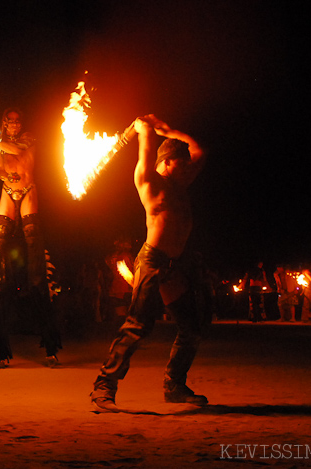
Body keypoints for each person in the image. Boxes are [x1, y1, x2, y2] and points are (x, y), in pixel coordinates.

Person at [91, 115, 209, 411]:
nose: (189, 167)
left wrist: (169, 129)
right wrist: (145, 132)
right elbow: (147, 155)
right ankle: (103, 387)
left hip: (174, 266)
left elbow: (201, 152)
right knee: (137, 326)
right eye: (182, 162)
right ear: (168, 162)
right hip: (153, 260)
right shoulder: (149, 180)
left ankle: (174, 385)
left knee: (192, 327)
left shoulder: (180, 183)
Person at [0, 107, 60, 368]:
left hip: (29, 190)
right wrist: (6, 174)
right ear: (4, 123)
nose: (15, 125)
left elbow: (18, 152)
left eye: (18, 121)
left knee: (32, 242)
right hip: (9, 190)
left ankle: (50, 347)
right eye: (10, 121)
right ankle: (1, 350)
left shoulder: (28, 138)